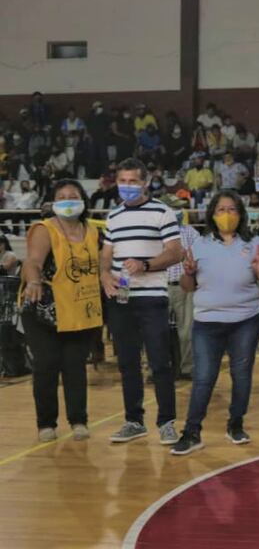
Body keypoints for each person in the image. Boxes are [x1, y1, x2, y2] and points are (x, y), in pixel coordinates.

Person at [169, 191, 259, 455]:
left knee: (241, 376)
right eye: (220, 210)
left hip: (246, 321)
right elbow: (187, 287)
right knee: (203, 378)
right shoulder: (199, 245)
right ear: (212, 215)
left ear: (240, 214)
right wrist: (188, 272)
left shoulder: (255, 244)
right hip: (207, 322)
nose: (226, 215)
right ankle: (191, 432)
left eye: (231, 209)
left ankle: (235, 424)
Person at [100, 158, 185, 445]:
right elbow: (105, 257)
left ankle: (167, 422)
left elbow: (176, 252)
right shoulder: (113, 217)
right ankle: (133, 421)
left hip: (151, 296)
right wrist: (104, 277)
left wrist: (147, 265)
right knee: (127, 362)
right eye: (122, 181)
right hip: (121, 297)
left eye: (133, 181)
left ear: (145, 182)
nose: (127, 186)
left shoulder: (163, 212)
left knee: (160, 361)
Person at [21, 180, 102, 442]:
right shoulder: (45, 229)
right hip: (45, 309)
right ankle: (46, 424)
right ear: (53, 202)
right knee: (46, 365)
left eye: (73, 196)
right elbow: (32, 261)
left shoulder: (91, 230)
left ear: (83, 201)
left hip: (80, 307)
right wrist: (33, 281)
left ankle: (79, 420)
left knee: (75, 366)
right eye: (62, 196)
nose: (68, 200)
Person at [165, 201, 201, 379]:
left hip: (184, 286)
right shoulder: (156, 232)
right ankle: (155, 369)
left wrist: (187, 254)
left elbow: (200, 257)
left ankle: (187, 368)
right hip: (160, 286)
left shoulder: (191, 232)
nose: (177, 213)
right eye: (173, 209)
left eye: (179, 209)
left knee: (187, 331)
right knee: (156, 331)